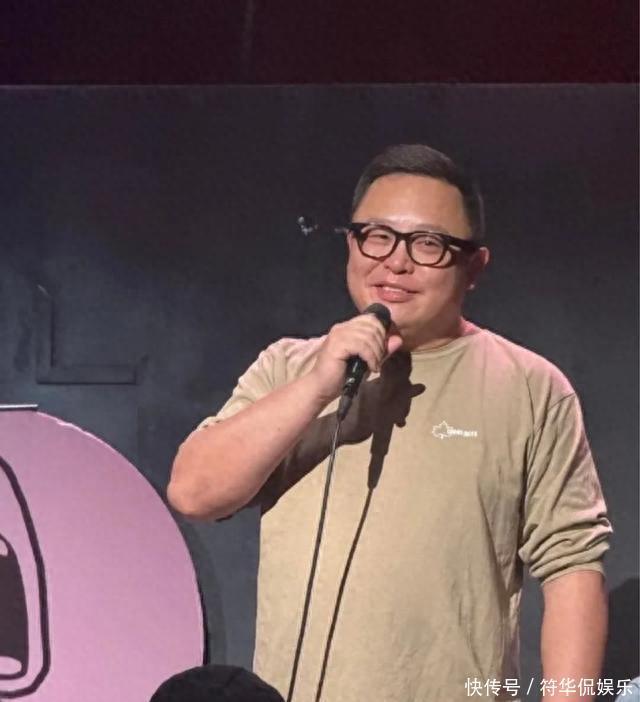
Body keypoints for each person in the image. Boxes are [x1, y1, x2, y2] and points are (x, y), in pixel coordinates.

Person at [168, 144, 612, 701]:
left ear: (474, 266)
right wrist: (317, 386)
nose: (396, 262)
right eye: (376, 236)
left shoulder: (531, 388)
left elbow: (573, 568)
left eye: (427, 244)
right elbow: (194, 493)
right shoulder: (288, 367)